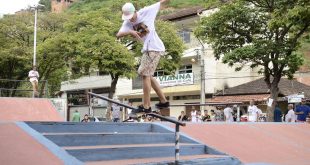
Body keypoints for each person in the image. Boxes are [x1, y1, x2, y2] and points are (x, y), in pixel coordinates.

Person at [117, 0, 170, 114]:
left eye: (132, 17)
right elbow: (118, 34)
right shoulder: (127, 22)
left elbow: (162, 3)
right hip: (147, 49)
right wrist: (130, 32)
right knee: (147, 74)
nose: (131, 19)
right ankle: (163, 101)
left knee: (145, 74)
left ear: (135, 11)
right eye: (128, 18)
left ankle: (146, 106)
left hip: (154, 48)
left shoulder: (147, 11)